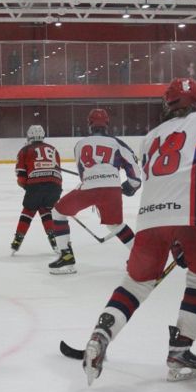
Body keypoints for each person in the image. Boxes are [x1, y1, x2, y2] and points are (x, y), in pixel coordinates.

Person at [82, 78, 196, 386]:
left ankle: (101, 333)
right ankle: (180, 350)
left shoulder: (150, 137)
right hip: (192, 217)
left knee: (136, 284)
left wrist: (175, 242)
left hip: (150, 221)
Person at [48, 108, 141, 275]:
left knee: (58, 213)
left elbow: (82, 172)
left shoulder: (80, 144)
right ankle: (141, 258)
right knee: (115, 225)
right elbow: (132, 165)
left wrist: (91, 182)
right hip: (112, 188)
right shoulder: (116, 143)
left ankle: (66, 258)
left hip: (89, 188)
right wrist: (132, 185)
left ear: (89, 124)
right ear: (107, 124)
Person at [11, 125, 62, 255]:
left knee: (28, 210)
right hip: (55, 186)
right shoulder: (53, 149)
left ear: (29, 136)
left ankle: (17, 240)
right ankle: (54, 239)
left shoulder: (25, 150)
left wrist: (28, 187)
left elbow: (21, 177)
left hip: (35, 185)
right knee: (46, 210)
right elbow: (58, 173)